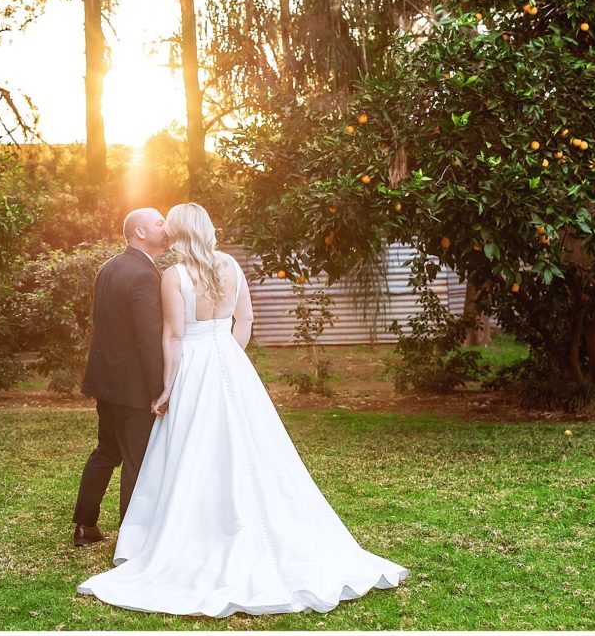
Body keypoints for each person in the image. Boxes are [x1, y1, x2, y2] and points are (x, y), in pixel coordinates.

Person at [77, 203, 409, 616]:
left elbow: (174, 337)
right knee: (255, 450)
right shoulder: (232, 265)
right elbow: (246, 320)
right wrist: (227, 359)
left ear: (178, 233)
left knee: (191, 452)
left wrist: (167, 387)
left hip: (194, 367)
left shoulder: (174, 276)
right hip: (230, 365)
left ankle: (184, 531)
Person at [71, 207, 170, 548]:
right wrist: (160, 388)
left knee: (106, 451)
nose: (166, 226)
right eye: (160, 222)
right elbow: (148, 336)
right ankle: (133, 537)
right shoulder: (144, 274)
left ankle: (85, 526)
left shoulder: (108, 267)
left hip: (107, 382)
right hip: (132, 387)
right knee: (136, 460)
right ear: (140, 232)